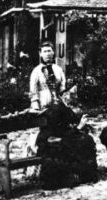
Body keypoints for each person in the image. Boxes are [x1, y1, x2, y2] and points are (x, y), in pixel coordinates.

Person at [29, 41, 97, 189]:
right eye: (45, 51)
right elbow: (33, 94)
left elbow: (63, 90)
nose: (48, 53)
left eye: (50, 51)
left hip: (58, 107)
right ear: (40, 53)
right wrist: (36, 110)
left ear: (53, 53)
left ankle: (81, 171)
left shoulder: (58, 70)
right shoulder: (36, 72)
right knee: (53, 137)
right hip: (44, 108)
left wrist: (64, 105)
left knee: (74, 136)